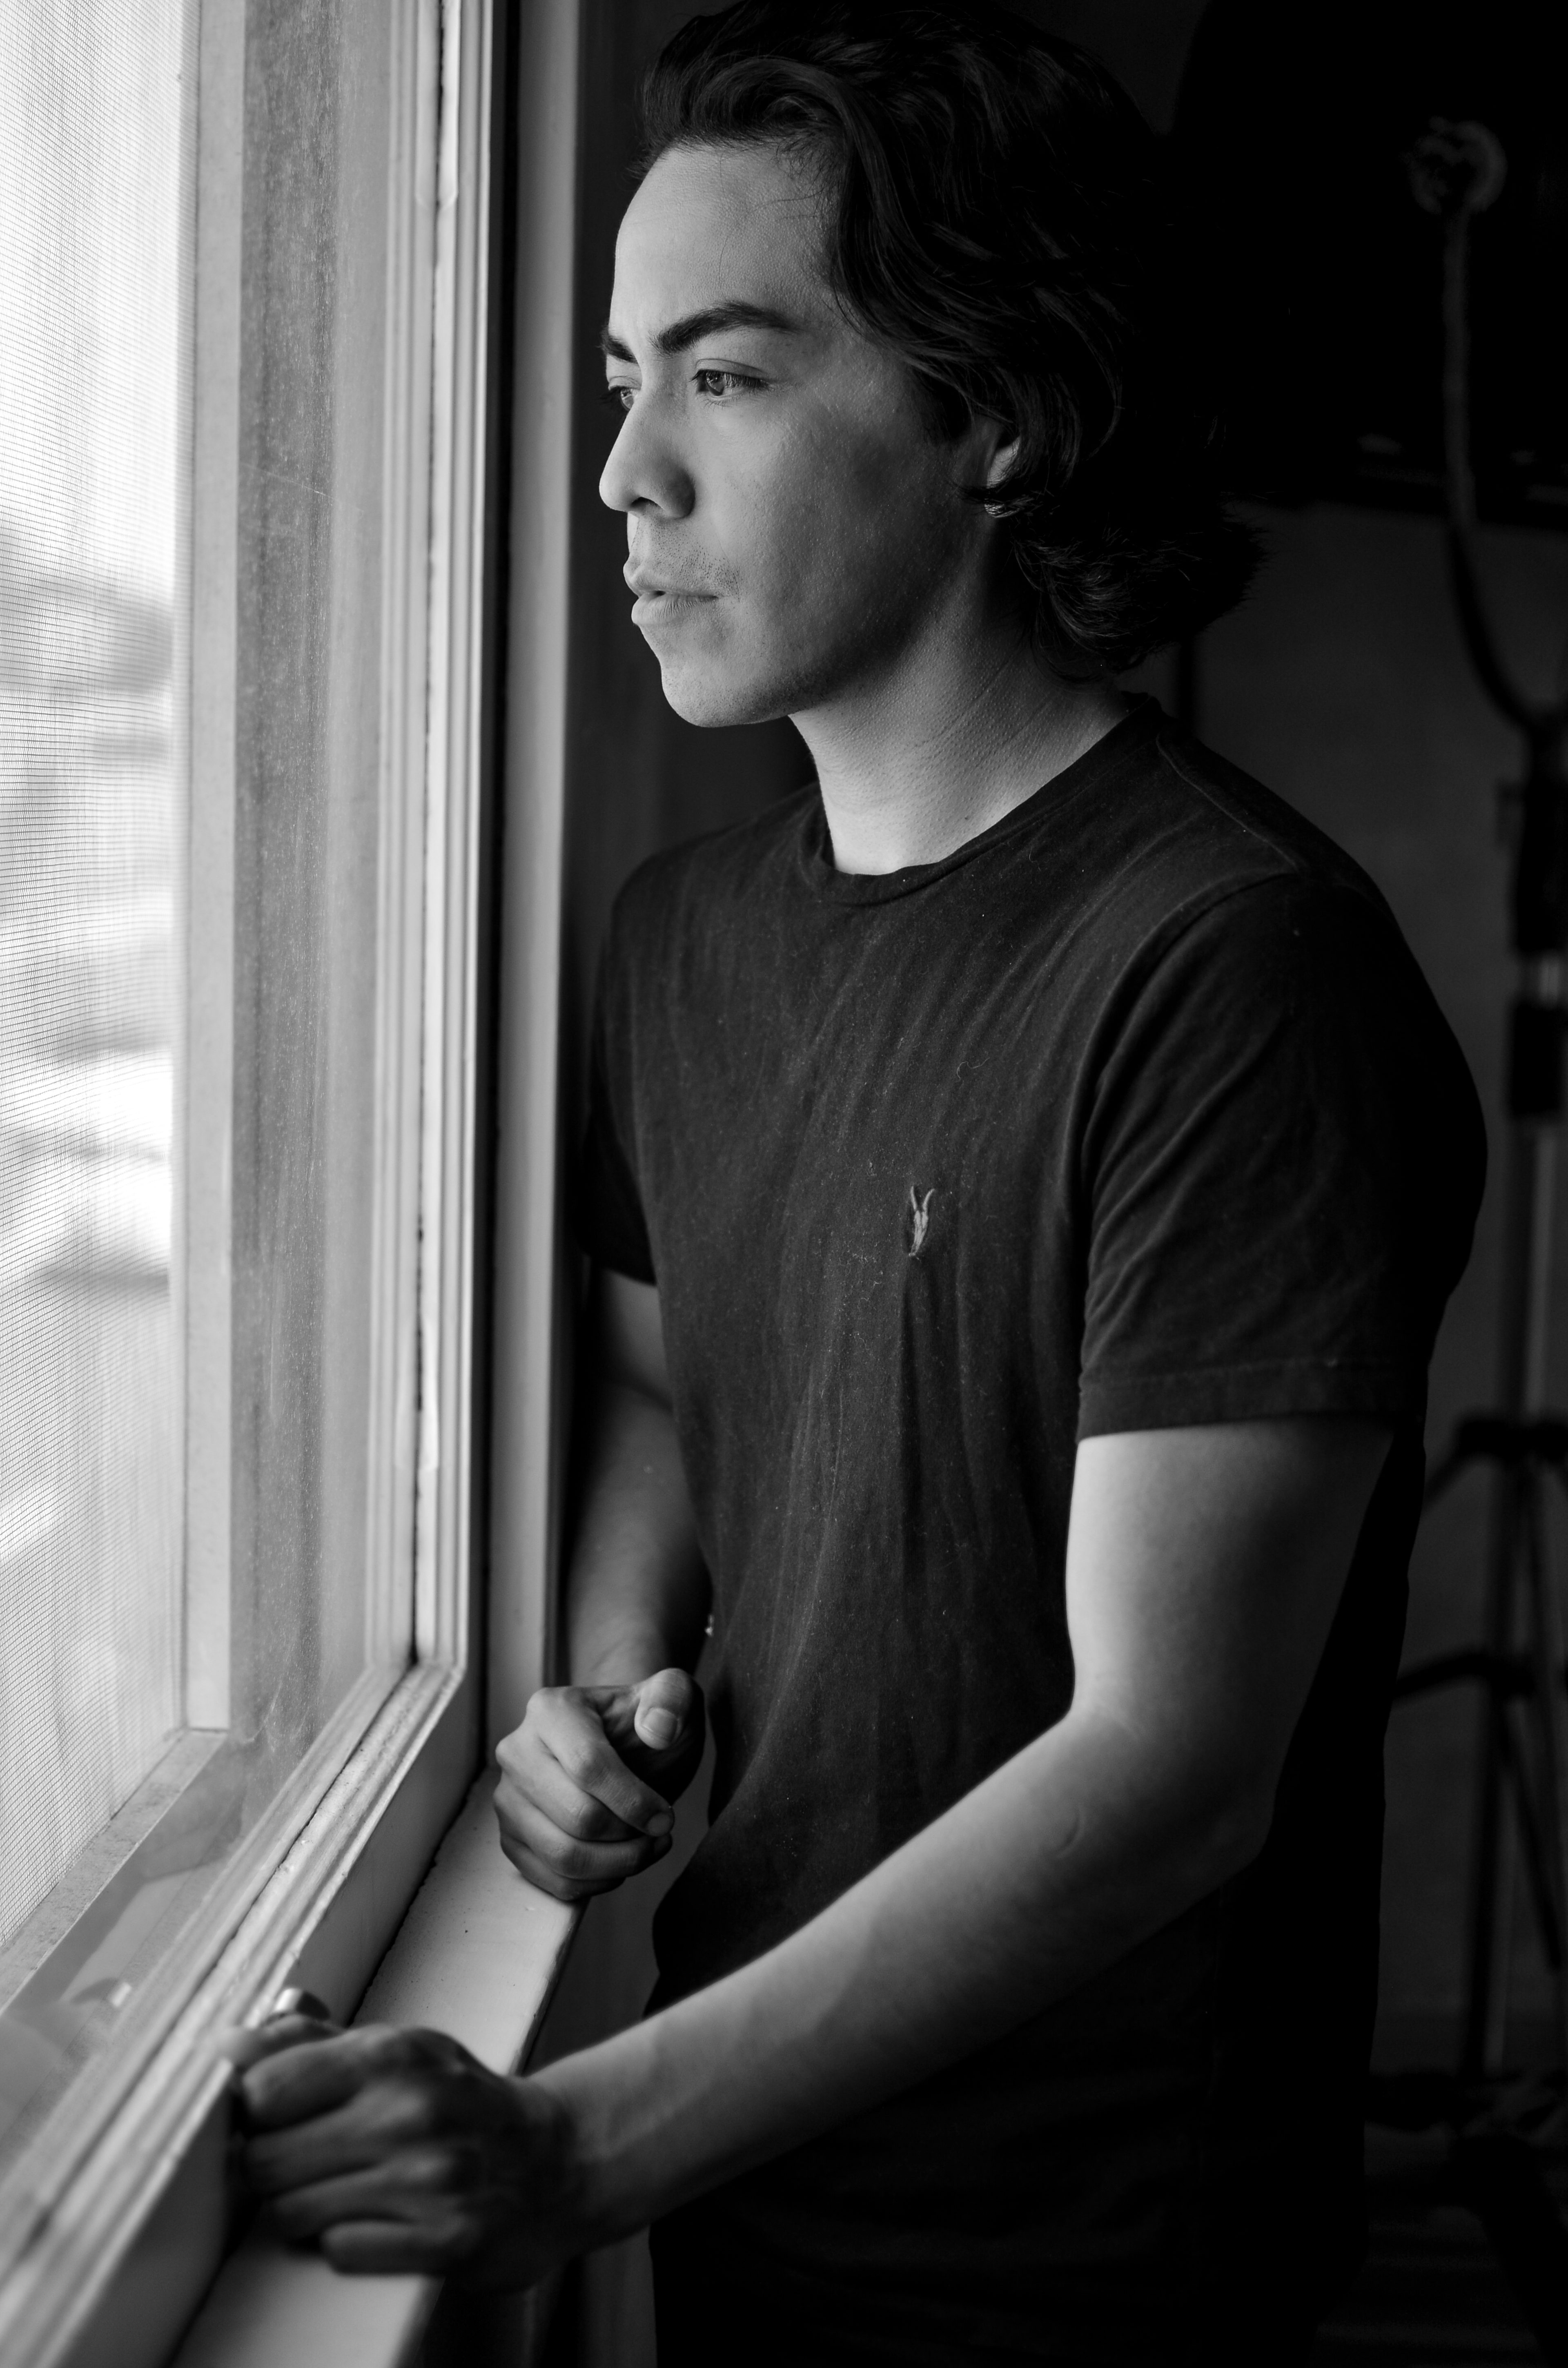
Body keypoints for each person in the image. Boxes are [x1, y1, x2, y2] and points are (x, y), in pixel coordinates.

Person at [231, 7, 1486, 2360]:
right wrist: (610, 1676)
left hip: (1107, 2265)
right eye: (620, 374)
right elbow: (663, 1366)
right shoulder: (683, 936)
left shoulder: (1234, 970)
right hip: (759, 2188)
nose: (617, 472)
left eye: (721, 377)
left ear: (995, 415)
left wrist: (573, 2141)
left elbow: (1170, 1763)